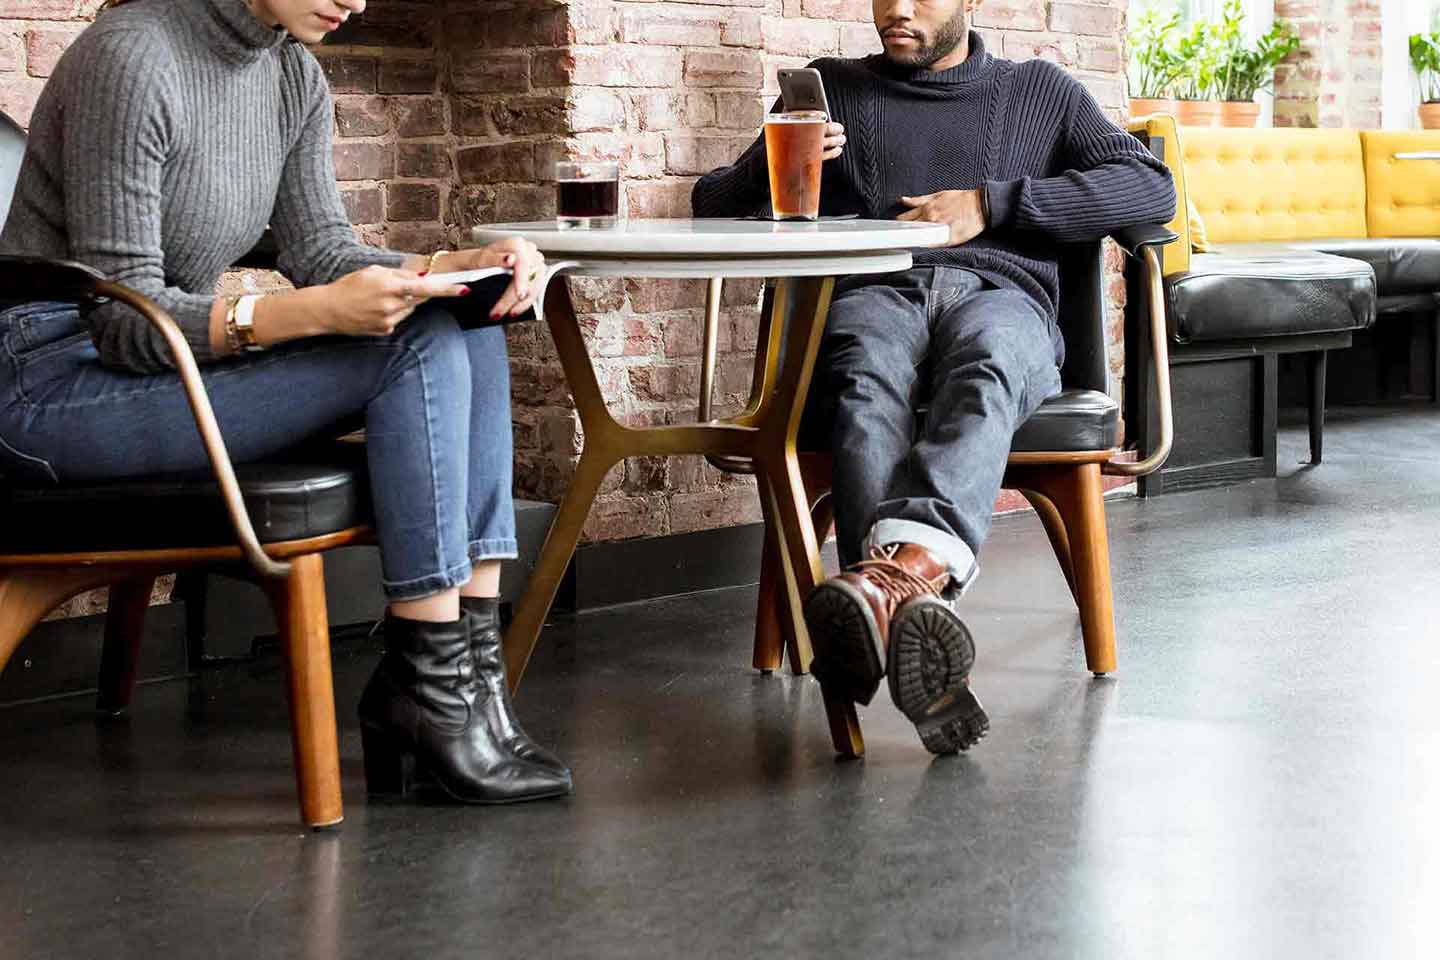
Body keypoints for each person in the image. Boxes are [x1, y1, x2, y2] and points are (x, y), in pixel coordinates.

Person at [0, 0, 571, 804]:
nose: (358, 1)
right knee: (416, 344)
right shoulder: (129, 58)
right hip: (45, 383)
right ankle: (431, 693)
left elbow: (322, 251)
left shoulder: (290, 74)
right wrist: (316, 315)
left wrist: (455, 265)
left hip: (156, 369)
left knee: (460, 321)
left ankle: (465, 688)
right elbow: (122, 324)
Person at [694, 0, 1175, 755]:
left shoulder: (1039, 91)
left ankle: (878, 594)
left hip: (1003, 295)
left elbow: (1152, 189)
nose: (897, 10)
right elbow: (711, 203)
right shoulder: (832, 88)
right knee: (864, 376)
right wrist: (778, 159)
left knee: (985, 373)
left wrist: (992, 202)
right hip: (875, 291)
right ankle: (908, 587)